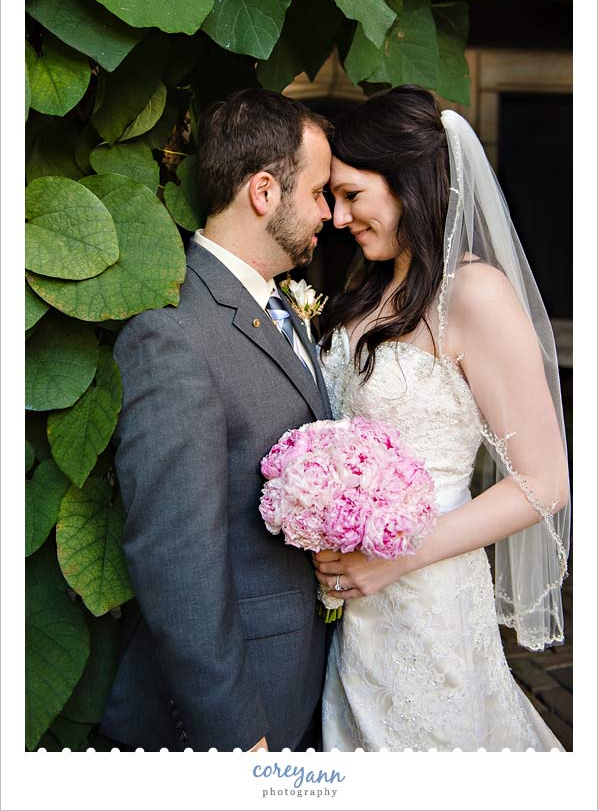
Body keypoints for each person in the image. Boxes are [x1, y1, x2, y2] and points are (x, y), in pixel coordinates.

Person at [314, 85, 570, 751]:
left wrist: (396, 560)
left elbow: (545, 482)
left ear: (406, 182)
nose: (339, 219)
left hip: (427, 598)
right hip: (353, 609)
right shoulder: (366, 288)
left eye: (352, 195)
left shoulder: (476, 294)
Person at [99, 89, 334, 751]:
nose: (329, 212)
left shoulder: (281, 306)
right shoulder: (174, 334)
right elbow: (177, 560)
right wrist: (237, 744)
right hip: (236, 718)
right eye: (317, 191)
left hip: (299, 684)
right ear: (265, 192)